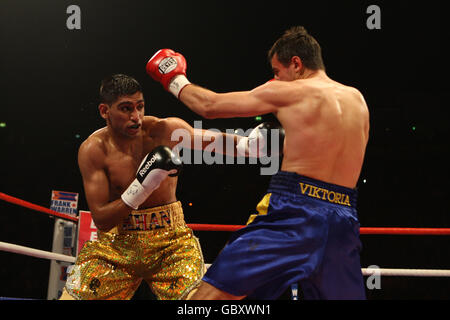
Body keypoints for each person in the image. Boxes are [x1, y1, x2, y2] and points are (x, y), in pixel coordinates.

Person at [146, 26, 370, 300]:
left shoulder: (291, 92)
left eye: (277, 71)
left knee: (208, 299)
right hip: (343, 217)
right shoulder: (357, 100)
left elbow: (210, 106)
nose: (275, 79)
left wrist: (173, 78)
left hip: (294, 210)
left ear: (296, 64)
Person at [60, 74, 260, 300]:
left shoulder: (164, 130)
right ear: (105, 111)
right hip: (118, 244)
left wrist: (251, 144)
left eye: (140, 107)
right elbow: (102, 220)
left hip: (171, 242)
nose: (135, 117)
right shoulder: (93, 150)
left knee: (199, 303)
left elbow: (213, 142)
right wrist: (142, 187)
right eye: (126, 109)